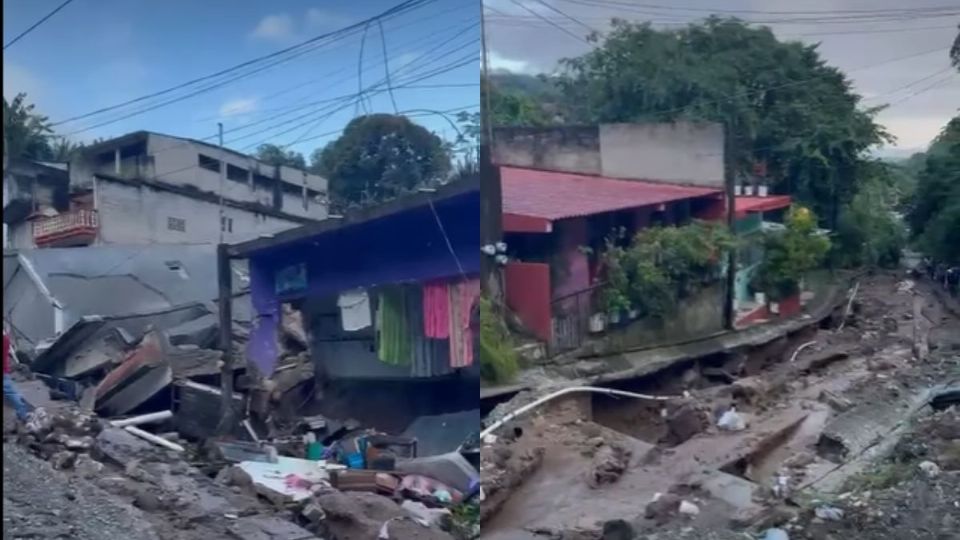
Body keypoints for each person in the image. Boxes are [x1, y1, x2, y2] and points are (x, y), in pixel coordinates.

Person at [3, 327, 31, 422]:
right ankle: (23, 413)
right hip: (4, 370)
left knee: (10, 393)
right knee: (11, 392)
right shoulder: (6, 339)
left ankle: (23, 413)